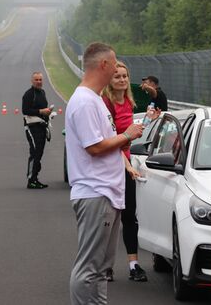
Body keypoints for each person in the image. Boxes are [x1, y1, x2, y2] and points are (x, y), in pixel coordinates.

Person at [66, 42, 143, 305]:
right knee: (89, 267)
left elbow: (104, 143)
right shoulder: (85, 102)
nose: (117, 70)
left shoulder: (95, 99)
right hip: (95, 192)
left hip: (106, 193)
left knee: (100, 269)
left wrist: (122, 141)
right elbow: (95, 147)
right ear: (103, 65)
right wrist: (126, 135)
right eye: (114, 63)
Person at [102, 61, 154, 282]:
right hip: (112, 165)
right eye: (117, 77)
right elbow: (111, 141)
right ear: (109, 81)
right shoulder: (106, 103)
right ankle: (105, 267)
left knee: (129, 216)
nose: (122, 80)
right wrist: (128, 165)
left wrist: (148, 120)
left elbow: (130, 134)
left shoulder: (129, 101)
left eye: (125, 76)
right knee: (109, 218)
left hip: (126, 162)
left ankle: (133, 265)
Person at [22, 71, 52, 189]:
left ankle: (35, 178)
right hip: (31, 127)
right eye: (36, 80)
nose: (39, 82)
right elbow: (25, 110)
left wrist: (48, 113)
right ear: (32, 81)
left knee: (39, 153)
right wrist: (40, 111)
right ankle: (31, 180)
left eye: (40, 80)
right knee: (34, 153)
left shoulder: (42, 92)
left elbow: (43, 108)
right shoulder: (29, 94)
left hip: (42, 126)